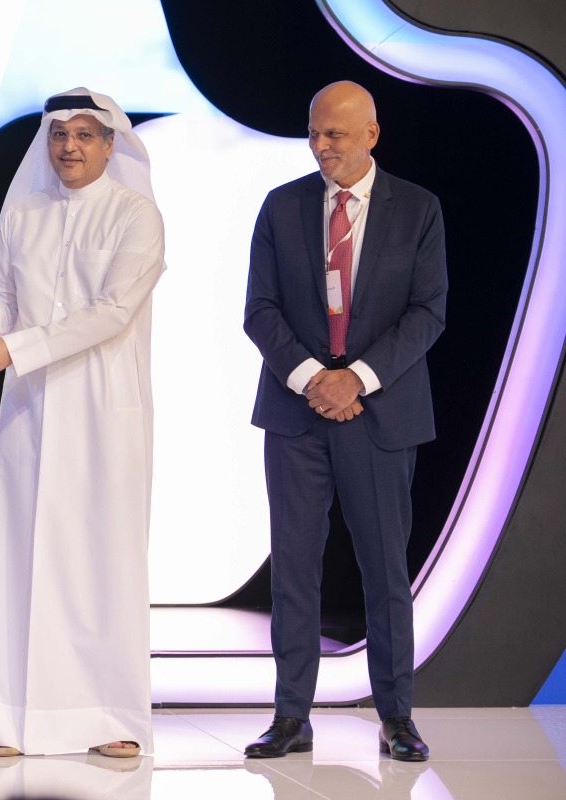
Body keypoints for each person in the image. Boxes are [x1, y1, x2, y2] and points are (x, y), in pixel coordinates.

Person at [0, 88, 166, 758]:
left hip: (104, 411)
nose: (68, 147)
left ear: (109, 143)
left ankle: (109, 718)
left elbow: (111, 312)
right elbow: (8, 309)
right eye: (58, 135)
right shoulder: (23, 215)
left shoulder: (137, 215)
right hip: (32, 409)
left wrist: (15, 345)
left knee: (101, 561)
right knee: (23, 558)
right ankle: (13, 718)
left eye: (83, 134)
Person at [242, 81, 447, 762]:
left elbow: (427, 313)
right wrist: (313, 380)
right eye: (315, 133)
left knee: (384, 570)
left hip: (379, 415)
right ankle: (290, 716)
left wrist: (354, 380)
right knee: (293, 570)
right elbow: (260, 310)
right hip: (297, 416)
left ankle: (397, 718)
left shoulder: (418, 210)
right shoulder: (282, 206)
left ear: (371, 135)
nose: (322, 146)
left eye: (335, 134)